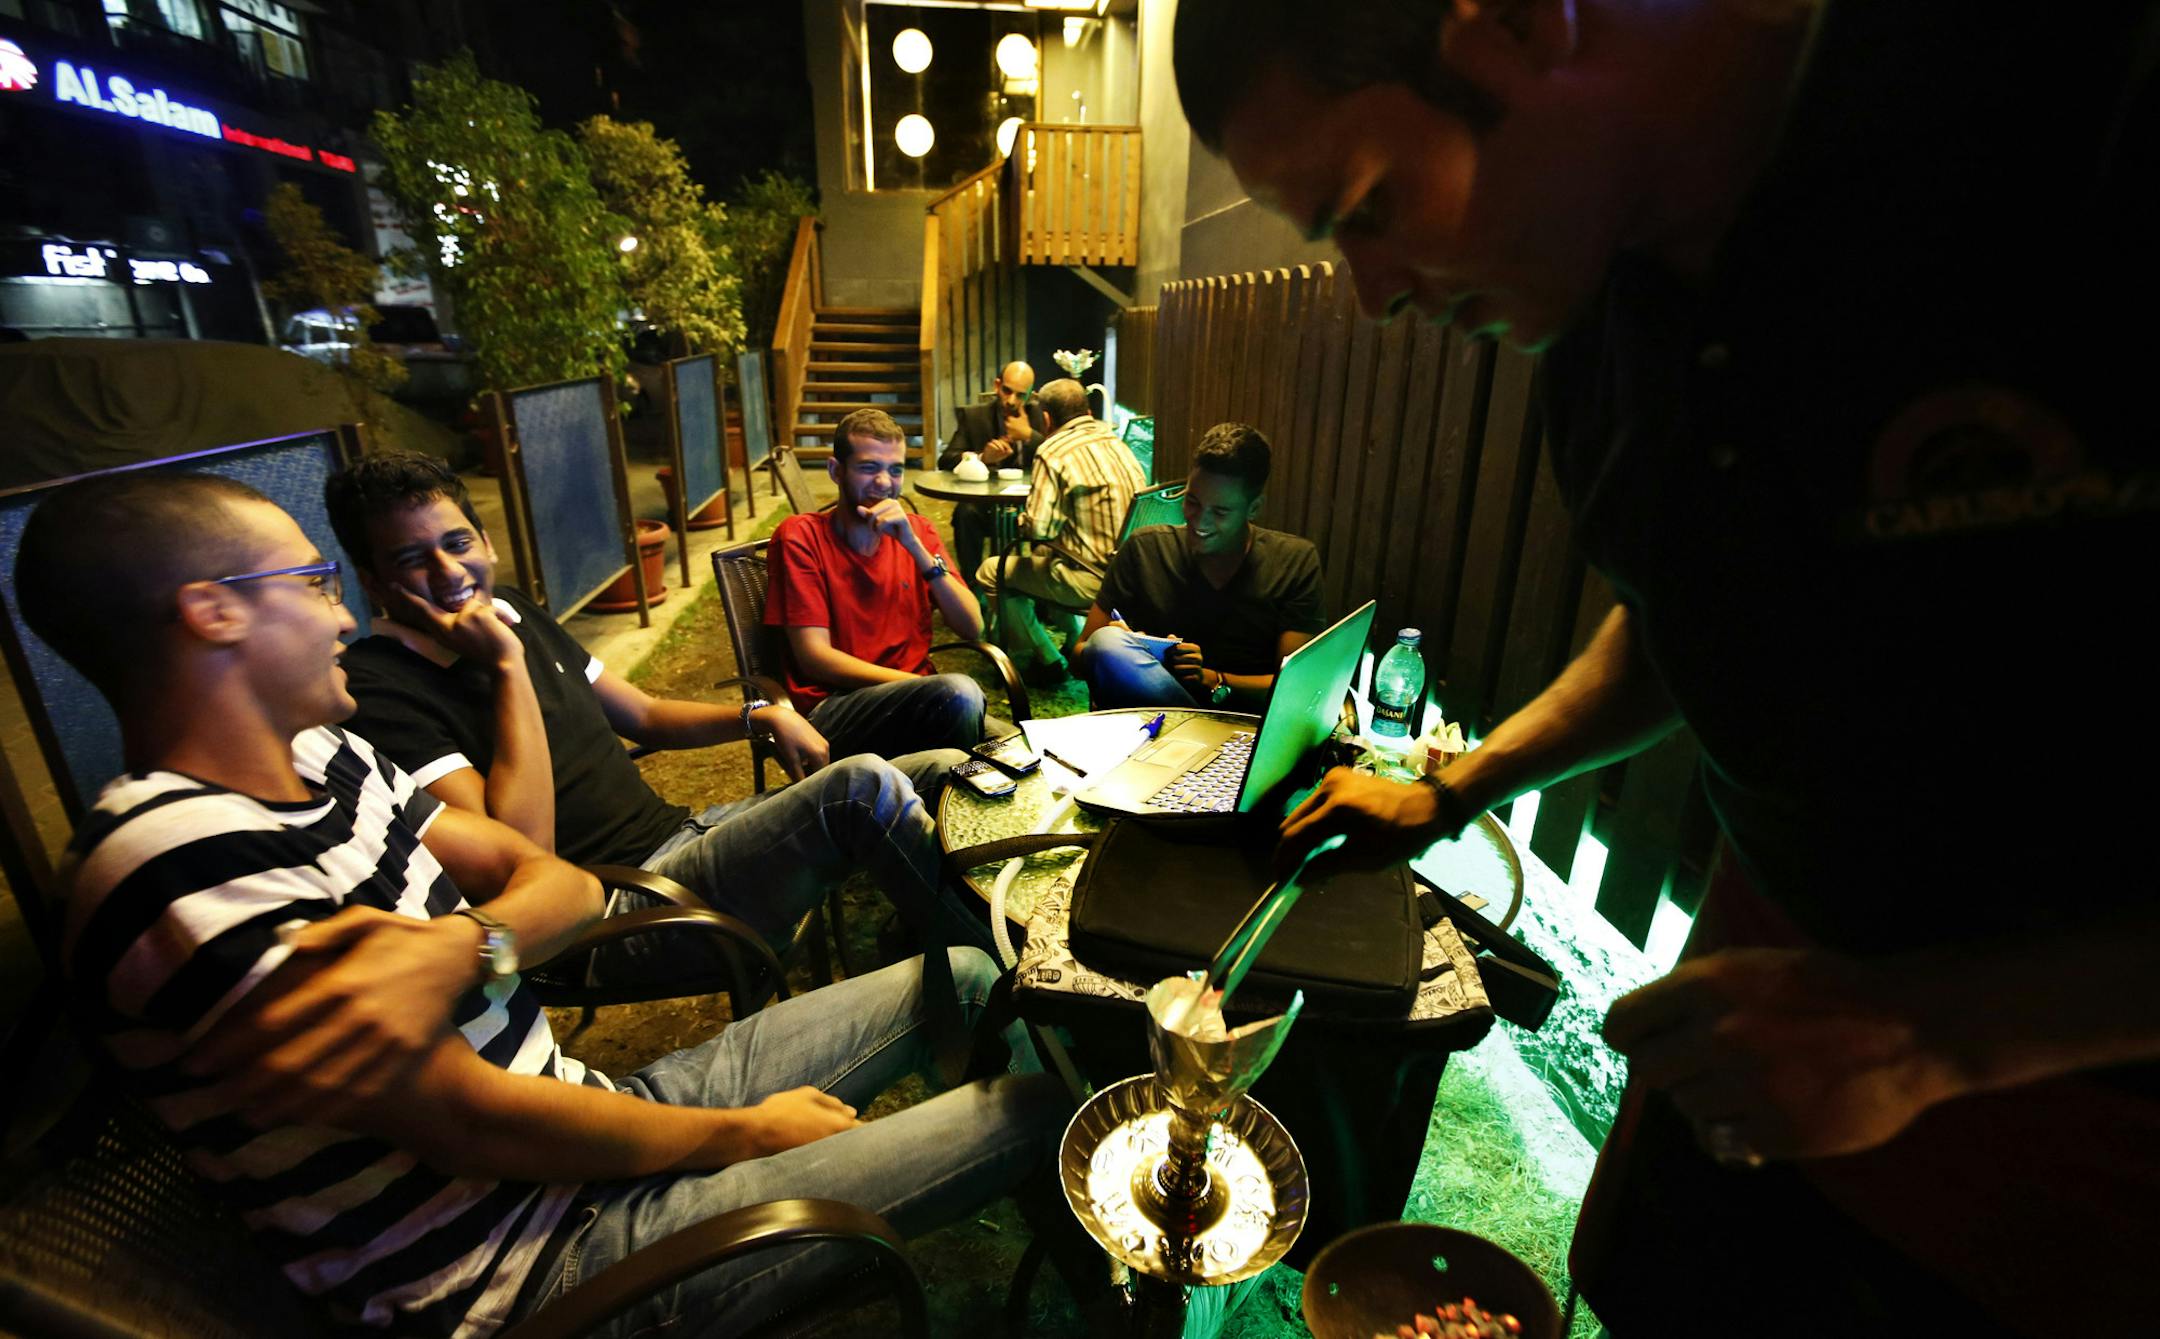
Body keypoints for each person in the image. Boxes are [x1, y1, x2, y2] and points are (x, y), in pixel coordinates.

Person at [1180, 1, 2160, 1333]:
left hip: (2085, 1106)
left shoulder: (2076, 121)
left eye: (1368, 205)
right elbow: (1689, 607)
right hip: (1774, 998)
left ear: (1519, 25)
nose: (1374, 293)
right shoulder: (1599, 303)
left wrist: (1939, 1029)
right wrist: (1462, 782)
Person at [15, 472, 1071, 1338]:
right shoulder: (173, 859)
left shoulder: (326, 756)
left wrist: (460, 951)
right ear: (214, 610)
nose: (345, 610)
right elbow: (475, 1119)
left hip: (598, 1110)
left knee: (977, 976)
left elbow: (552, 881)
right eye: (320, 579)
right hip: (540, 1266)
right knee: (1038, 1109)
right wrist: (742, 1134)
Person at [324, 451, 993, 979]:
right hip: (608, 905)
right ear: (375, 583)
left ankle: (943, 926)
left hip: (681, 834)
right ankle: (1002, 969)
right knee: (863, 788)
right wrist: (506, 667)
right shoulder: (381, 691)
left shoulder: (515, 611)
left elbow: (641, 712)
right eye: (413, 560)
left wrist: (759, 715)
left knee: (939, 768)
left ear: (487, 544)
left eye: (457, 541)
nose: (449, 572)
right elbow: (522, 861)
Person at [765, 407, 992, 759]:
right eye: (869, 468)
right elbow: (815, 658)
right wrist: (919, 687)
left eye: (895, 470)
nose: (885, 483)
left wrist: (915, 549)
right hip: (835, 708)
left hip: (924, 700)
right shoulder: (801, 536)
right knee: (961, 699)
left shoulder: (917, 532)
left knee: (1018, 749)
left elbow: (972, 626)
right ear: (836, 471)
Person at [1075, 422, 1325, 709]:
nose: (1200, 521)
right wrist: (1130, 649)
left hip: (1238, 731)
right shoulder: (1145, 550)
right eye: (1192, 502)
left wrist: (1211, 679)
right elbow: (1078, 657)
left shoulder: (1293, 563)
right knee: (1107, 642)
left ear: (1253, 509)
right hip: (1148, 724)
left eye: (1220, 512)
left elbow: (1296, 686)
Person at [974, 377, 1147, 686]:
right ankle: (1072, 637)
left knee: (992, 571)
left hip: (1092, 579)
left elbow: (1038, 528)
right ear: (1088, 412)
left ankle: (1048, 657)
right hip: (1131, 575)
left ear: (1047, 419)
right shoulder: (1118, 443)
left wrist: (1021, 520)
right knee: (1044, 555)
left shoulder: (1052, 450)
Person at [938, 360, 1052, 586]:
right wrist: (981, 458)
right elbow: (946, 459)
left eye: (1021, 395)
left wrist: (1030, 435)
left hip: (1030, 505)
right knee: (965, 513)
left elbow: (1059, 454)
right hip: (986, 504)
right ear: (997, 385)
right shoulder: (975, 416)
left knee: (1053, 515)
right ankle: (971, 587)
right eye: (1007, 391)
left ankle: (1041, 595)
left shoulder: (1041, 417)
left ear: (1032, 395)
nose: (1011, 400)